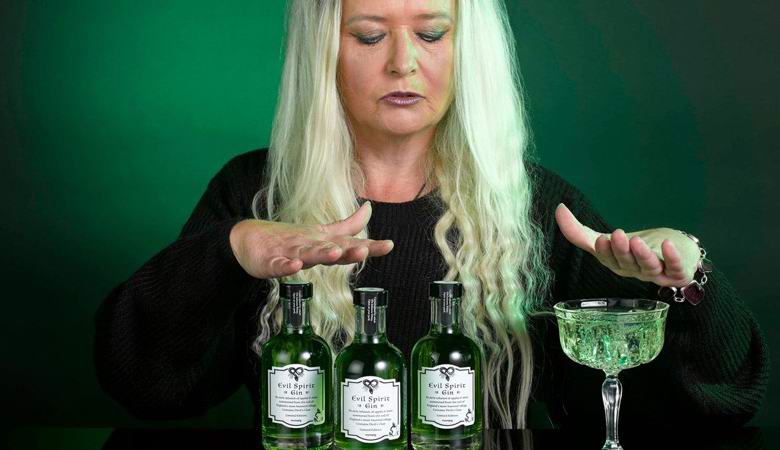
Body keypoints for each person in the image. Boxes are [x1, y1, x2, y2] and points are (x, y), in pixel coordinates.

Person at [94, 0, 768, 431]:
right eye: (368, 36)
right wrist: (229, 252)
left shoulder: (534, 206)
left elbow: (721, 403)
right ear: (322, 50)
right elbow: (144, 387)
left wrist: (685, 277)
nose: (403, 62)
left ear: (465, 47)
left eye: (431, 32)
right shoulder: (253, 192)